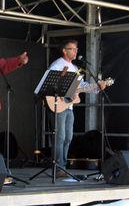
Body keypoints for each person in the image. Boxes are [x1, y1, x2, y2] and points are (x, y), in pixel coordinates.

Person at [48, 39, 106, 177]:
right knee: (60, 137)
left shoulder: (74, 68)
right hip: (58, 105)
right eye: (72, 49)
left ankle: (63, 166)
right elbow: (50, 83)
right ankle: (58, 168)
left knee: (68, 137)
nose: (75, 52)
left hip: (69, 107)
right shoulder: (57, 65)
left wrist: (97, 87)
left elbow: (81, 86)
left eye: (76, 49)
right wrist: (64, 95)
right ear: (64, 50)